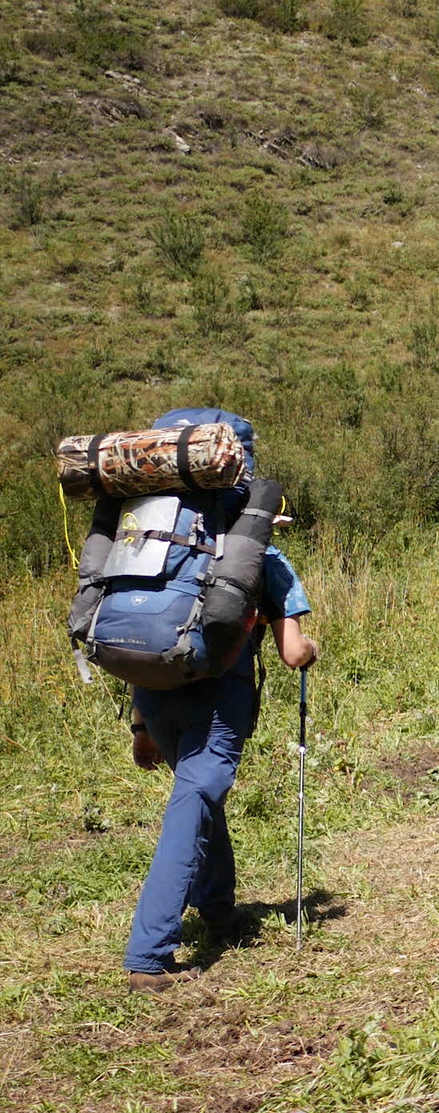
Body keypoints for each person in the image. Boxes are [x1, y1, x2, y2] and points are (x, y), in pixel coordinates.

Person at [123, 411, 319, 993]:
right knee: (194, 799)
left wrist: (140, 726)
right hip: (219, 701)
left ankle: (218, 910)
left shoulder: (154, 543)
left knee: (198, 790)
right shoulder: (261, 557)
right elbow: (291, 653)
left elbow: (142, 628)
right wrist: (307, 645)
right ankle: (149, 952)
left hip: (155, 694)